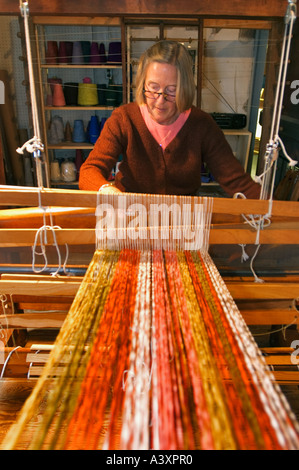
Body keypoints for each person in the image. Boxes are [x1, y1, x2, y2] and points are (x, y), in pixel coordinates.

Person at [79, 40, 261, 199]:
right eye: (153, 87)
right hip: (131, 217)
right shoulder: (124, 119)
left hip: (180, 222)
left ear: (185, 88)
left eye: (171, 90)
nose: (160, 100)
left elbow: (237, 181)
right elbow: (90, 170)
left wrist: (277, 209)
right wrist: (106, 190)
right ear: (142, 83)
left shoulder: (202, 125)